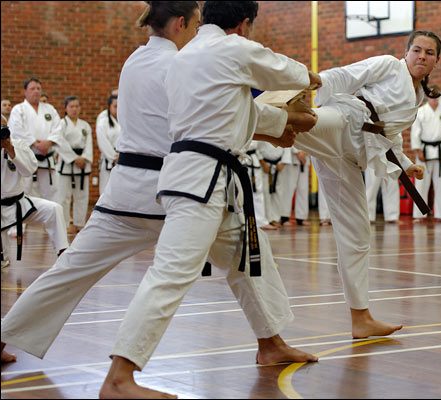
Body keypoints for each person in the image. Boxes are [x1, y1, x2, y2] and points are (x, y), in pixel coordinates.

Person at [0, 2, 317, 383]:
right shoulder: (180, 64)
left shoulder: (136, 60)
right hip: (177, 190)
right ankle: (127, 371)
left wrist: (275, 122)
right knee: (224, 263)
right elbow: (217, 114)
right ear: (182, 23)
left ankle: (270, 341)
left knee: (72, 268)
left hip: (126, 191)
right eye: (196, 24)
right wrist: (281, 120)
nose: (199, 32)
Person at [96, 2, 323, 398]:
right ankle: (119, 377)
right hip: (200, 182)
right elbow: (289, 71)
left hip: (205, 178)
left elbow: (229, 111)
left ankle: (270, 343)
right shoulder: (233, 48)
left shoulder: (187, 57)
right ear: (244, 23)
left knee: (250, 259)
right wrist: (318, 80)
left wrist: (279, 124)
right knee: (171, 273)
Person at [290, 31, 435, 339]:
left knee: (357, 234)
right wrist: (314, 88)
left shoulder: (417, 99)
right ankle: (242, 117)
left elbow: (390, 137)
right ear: (407, 52)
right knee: (301, 123)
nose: (422, 56)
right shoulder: (388, 65)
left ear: (436, 60)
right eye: (417, 50)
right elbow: (345, 76)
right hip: (346, 120)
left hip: (352, 156)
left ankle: (361, 317)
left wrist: (408, 165)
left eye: (430, 53)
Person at [1, 115, 68, 273]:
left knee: (54, 209)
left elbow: (29, 170)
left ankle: (64, 253)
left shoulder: (18, 146)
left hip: (20, 203)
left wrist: (11, 150)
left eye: (4, 128)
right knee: (3, 259)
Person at [8, 77, 67, 202]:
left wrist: (49, 142)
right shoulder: (18, 110)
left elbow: (58, 128)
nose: (36, 91)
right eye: (32, 88)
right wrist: (35, 143)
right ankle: (26, 221)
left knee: (51, 194)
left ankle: (49, 220)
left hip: (47, 158)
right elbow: (17, 130)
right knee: (26, 193)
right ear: (25, 91)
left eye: (38, 88)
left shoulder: (49, 109)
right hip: (27, 159)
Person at [411, 86, 441, 222]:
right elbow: (415, 132)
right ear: (428, 97)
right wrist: (418, 150)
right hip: (424, 151)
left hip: (440, 152)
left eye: (437, 97)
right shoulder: (421, 112)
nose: (434, 100)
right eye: (432, 97)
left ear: (439, 97)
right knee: (421, 184)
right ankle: (419, 215)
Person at [55, 96, 93, 233]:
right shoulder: (61, 124)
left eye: (77, 106)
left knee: (82, 196)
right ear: (65, 108)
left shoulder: (85, 125)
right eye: (71, 106)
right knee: (64, 196)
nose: (75, 109)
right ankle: (64, 224)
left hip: (82, 165)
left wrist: (84, 158)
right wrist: (74, 158)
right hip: (67, 163)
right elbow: (60, 142)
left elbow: (89, 144)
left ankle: (80, 223)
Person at [279, 146, 310, 225]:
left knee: (303, 189)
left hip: (305, 160)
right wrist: (297, 152)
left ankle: (301, 217)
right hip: (291, 159)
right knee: (288, 188)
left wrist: (305, 152)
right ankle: (284, 217)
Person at [96, 94, 120, 194]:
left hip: (123, 158)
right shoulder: (103, 122)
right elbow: (102, 142)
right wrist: (114, 156)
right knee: (106, 190)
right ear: (109, 107)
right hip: (109, 160)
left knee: (120, 189)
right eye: (115, 106)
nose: (118, 109)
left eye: (120, 106)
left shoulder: (125, 121)